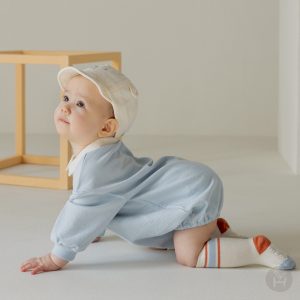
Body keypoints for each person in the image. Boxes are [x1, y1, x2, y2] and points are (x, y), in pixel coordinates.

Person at [20, 65, 296, 275]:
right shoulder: (101, 151)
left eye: (79, 104)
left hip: (193, 191)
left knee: (189, 257)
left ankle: (252, 249)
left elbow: (86, 207)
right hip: (185, 183)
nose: (65, 107)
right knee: (154, 242)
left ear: (106, 128)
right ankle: (209, 226)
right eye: (66, 97)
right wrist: (96, 230)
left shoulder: (96, 165)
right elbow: (109, 198)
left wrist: (56, 257)